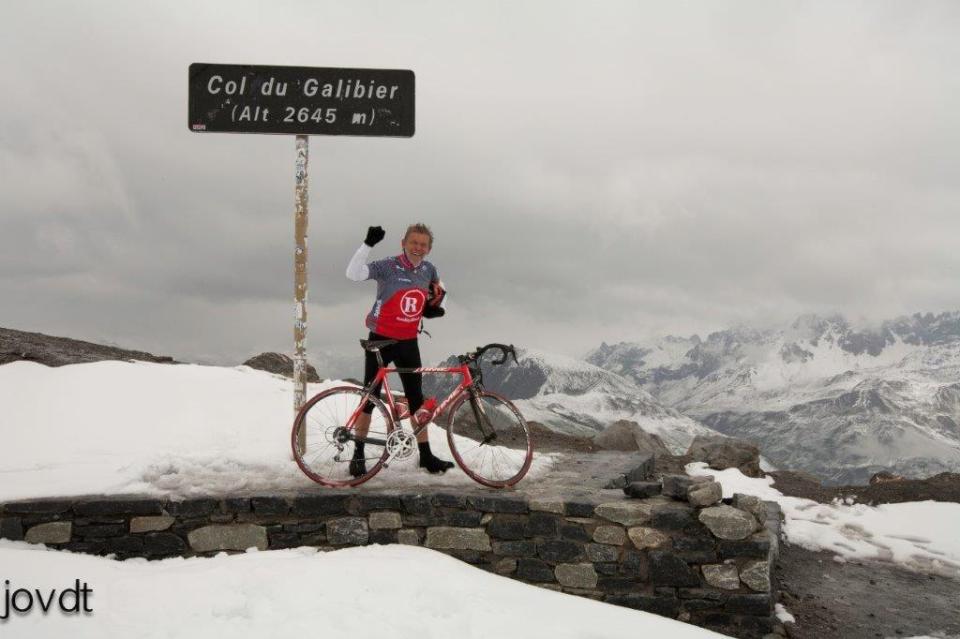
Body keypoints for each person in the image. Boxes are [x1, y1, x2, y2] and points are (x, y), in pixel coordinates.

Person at [345, 223, 454, 476]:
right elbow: (354, 274)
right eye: (414, 242)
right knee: (369, 399)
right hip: (380, 339)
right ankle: (358, 454)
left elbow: (440, 293)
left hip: (408, 342)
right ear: (403, 242)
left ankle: (425, 456)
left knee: (417, 401)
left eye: (423, 245)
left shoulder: (429, 269)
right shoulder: (388, 265)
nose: (418, 248)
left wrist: (437, 308)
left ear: (429, 249)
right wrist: (367, 244)